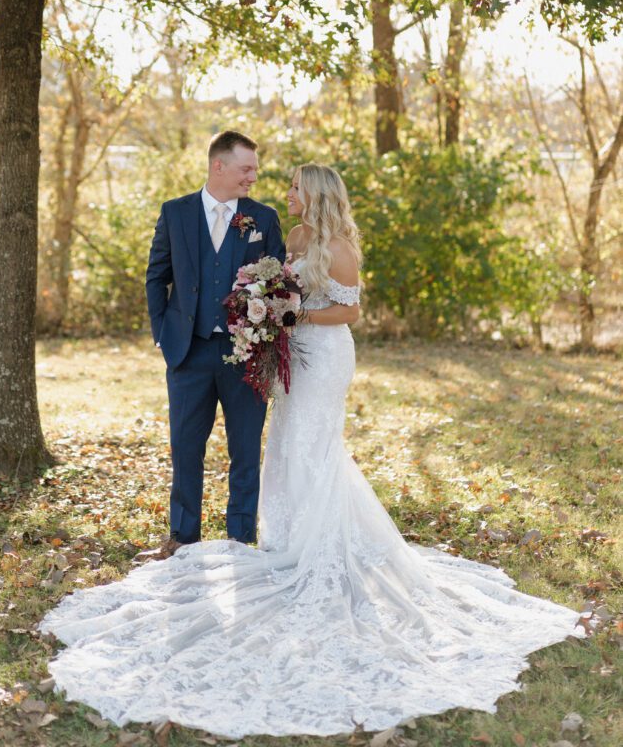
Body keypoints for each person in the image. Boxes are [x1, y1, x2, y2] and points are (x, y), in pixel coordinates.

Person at [40, 164, 584, 736]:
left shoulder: (341, 247)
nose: (288, 195)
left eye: (296, 188)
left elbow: (350, 311)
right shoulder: (295, 238)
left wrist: (292, 314)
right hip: (293, 357)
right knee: (288, 444)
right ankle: (288, 537)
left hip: (325, 357)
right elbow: (275, 286)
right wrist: (264, 311)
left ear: (316, 194)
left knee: (314, 445)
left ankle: (319, 545)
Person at [139, 130, 284, 560]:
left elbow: (277, 284)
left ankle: (240, 540)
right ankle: (183, 537)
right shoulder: (176, 212)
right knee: (186, 446)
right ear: (218, 166)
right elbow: (156, 276)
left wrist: (264, 336)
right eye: (246, 168)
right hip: (188, 352)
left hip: (247, 354)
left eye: (254, 169)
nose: (253, 177)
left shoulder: (263, 217)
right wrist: (164, 334)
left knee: (244, 448)